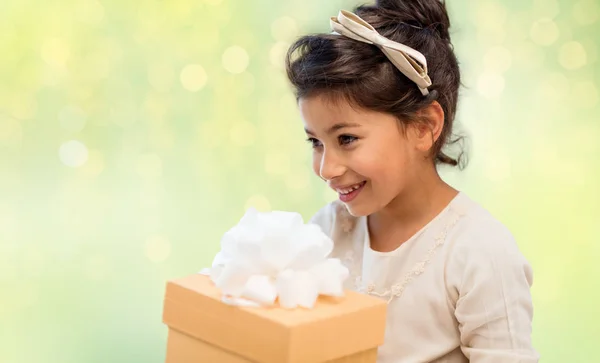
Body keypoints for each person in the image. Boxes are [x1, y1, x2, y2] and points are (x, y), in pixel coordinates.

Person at [284, 1, 539, 362]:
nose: (326, 168)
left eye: (346, 139)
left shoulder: (479, 254)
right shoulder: (328, 231)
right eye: (316, 142)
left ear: (423, 127)